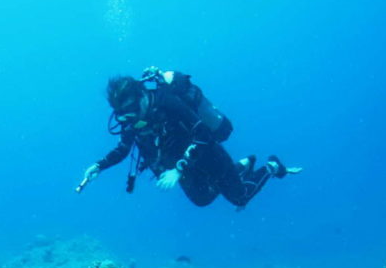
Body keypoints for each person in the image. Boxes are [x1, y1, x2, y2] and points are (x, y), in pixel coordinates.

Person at [78, 67, 300, 208]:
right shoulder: (131, 119)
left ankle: (271, 167)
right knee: (202, 200)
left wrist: (177, 170)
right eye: (122, 114)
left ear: (143, 96)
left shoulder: (167, 102)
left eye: (132, 109)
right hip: (180, 163)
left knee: (240, 197)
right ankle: (243, 165)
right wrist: (99, 166)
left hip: (207, 154)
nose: (129, 118)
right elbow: (123, 148)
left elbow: (202, 133)